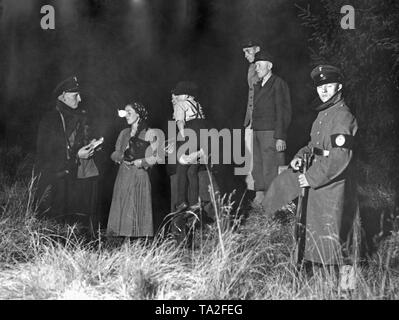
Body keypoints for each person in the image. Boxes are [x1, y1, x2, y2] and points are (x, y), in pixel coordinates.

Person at [262, 65, 358, 287]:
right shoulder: (323, 114)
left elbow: (339, 158)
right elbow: (313, 146)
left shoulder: (343, 116)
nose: (323, 90)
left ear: (339, 87)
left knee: (338, 238)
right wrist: (299, 156)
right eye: (320, 86)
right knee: (318, 236)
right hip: (318, 183)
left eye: (328, 85)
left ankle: (347, 288)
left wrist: (311, 177)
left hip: (333, 186)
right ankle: (320, 285)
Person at [35, 76, 102, 235]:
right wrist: (77, 155)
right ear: (62, 96)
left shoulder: (77, 117)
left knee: (73, 227)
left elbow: (73, 146)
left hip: (72, 181)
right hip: (55, 183)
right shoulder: (50, 119)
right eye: (75, 95)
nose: (80, 99)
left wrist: (91, 146)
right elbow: (47, 154)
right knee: (54, 227)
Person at [107, 102, 157, 240]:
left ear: (138, 114)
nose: (126, 116)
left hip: (139, 175)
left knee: (138, 212)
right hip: (124, 174)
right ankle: (121, 247)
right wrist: (121, 156)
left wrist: (142, 162)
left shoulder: (149, 132)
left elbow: (156, 157)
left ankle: (139, 247)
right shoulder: (124, 133)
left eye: (129, 112)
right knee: (122, 212)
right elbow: (115, 153)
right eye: (125, 113)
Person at [251, 50, 292, 205]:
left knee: (271, 165)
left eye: (259, 65)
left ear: (270, 66)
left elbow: (283, 111)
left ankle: (273, 199)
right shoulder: (258, 85)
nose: (257, 68)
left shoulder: (278, 83)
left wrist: (280, 136)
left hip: (270, 131)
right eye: (255, 66)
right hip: (257, 130)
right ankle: (260, 194)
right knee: (258, 164)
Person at [171, 81, 209, 212]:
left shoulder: (180, 104)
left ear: (185, 95)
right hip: (202, 134)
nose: (176, 96)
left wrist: (183, 135)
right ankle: (194, 202)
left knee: (181, 168)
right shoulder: (197, 104)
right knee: (192, 171)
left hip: (191, 132)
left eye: (178, 94)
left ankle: (181, 201)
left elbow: (180, 121)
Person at [242, 38, 261, 191]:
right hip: (250, 119)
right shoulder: (251, 67)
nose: (245, 55)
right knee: (249, 154)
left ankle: (260, 192)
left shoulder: (264, 67)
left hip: (261, 120)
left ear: (257, 49)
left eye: (248, 51)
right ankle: (254, 190)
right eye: (244, 52)